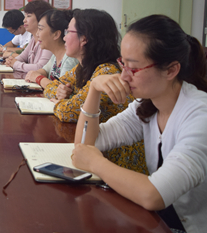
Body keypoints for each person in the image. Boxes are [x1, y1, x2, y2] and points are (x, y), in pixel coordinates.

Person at [71, 15, 207, 233]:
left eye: (134, 68)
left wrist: (95, 163)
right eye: (122, 64)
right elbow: (85, 143)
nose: (124, 76)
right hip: (163, 222)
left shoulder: (203, 117)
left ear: (171, 70)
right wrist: (94, 90)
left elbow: (153, 195)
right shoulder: (148, 104)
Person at [43, 9, 146, 173]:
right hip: (96, 151)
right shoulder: (83, 67)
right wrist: (60, 91)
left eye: (68, 32)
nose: (64, 37)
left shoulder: (106, 72)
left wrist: (60, 102)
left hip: (118, 163)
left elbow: (69, 112)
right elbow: (52, 86)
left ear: (84, 38)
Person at [25, 9, 78, 88]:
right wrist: (34, 74)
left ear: (56, 34)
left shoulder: (70, 59)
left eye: (40, 29)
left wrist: (38, 78)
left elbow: (61, 89)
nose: (37, 34)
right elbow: (45, 70)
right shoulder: (55, 55)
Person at [4, 0, 53, 73]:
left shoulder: (48, 40)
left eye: (28, 16)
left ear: (41, 19)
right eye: (25, 16)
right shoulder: (33, 39)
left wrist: (15, 64)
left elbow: (40, 67)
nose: (24, 20)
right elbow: (22, 57)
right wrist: (11, 61)